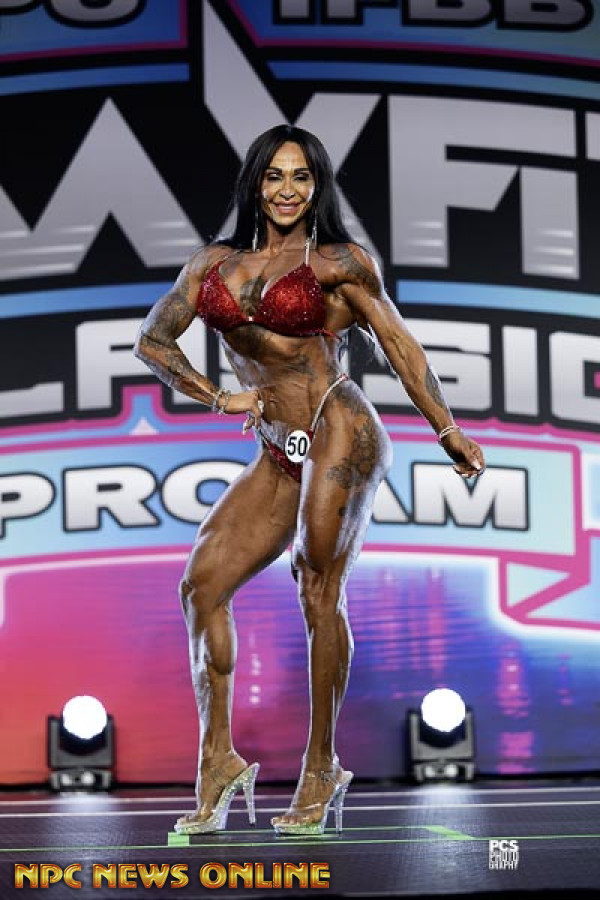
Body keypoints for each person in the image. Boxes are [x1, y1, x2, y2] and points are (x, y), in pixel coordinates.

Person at [134, 124, 485, 837]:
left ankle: (322, 766)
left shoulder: (339, 263)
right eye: (274, 176)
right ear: (255, 184)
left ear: (317, 186)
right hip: (279, 448)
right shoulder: (212, 264)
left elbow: (399, 344)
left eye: (301, 176)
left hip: (340, 429)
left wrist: (447, 429)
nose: (287, 190)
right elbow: (153, 341)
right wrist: (218, 396)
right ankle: (217, 759)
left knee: (316, 584)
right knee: (202, 585)